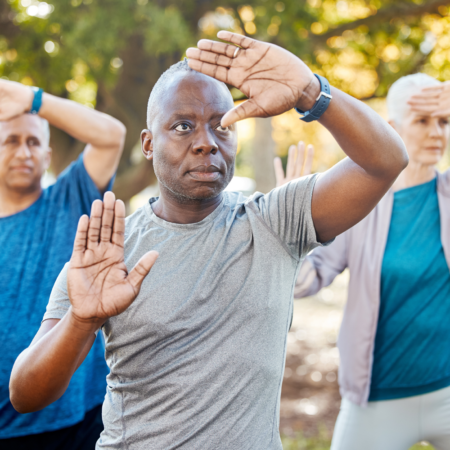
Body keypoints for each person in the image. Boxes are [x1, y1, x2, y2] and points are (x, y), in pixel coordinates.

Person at [9, 32, 407, 449]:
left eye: (222, 127)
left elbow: (387, 161)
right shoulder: (109, 252)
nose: (205, 142)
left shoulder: (275, 220)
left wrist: (311, 91)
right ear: (148, 144)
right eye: (183, 127)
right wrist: (82, 321)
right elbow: (26, 394)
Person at [292, 73, 450, 450]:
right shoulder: (360, 203)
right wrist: (292, 230)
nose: (437, 133)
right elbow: (306, 281)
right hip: (377, 398)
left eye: (444, 121)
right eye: (423, 121)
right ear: (392, 129)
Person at [0, 79, 126, 449]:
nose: (24, 151)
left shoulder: (70, 199)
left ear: (47, 154)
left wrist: (33, 100)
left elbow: (111, 136)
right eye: (11, 140)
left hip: (79, 420)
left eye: (34, 142)